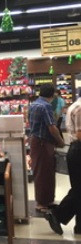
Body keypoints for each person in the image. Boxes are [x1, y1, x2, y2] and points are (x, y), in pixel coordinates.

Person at [46, 89, 81, 235]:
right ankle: (57, 214)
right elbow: (80, 134)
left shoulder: (75, 106)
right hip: (79, 149)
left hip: (76, 149)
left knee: (78, 189)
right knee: (79, 189)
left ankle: (77, 225)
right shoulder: (80, 109)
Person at [29, 83, 65, 213]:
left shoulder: (33, 104)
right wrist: (60, 141)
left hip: (36, 141)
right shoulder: (46, 106)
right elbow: (52, 127)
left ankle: (46, 200)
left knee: (42, 172)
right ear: (52, 94)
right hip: (43, 143)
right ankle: (42, 203)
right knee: (44, 173)